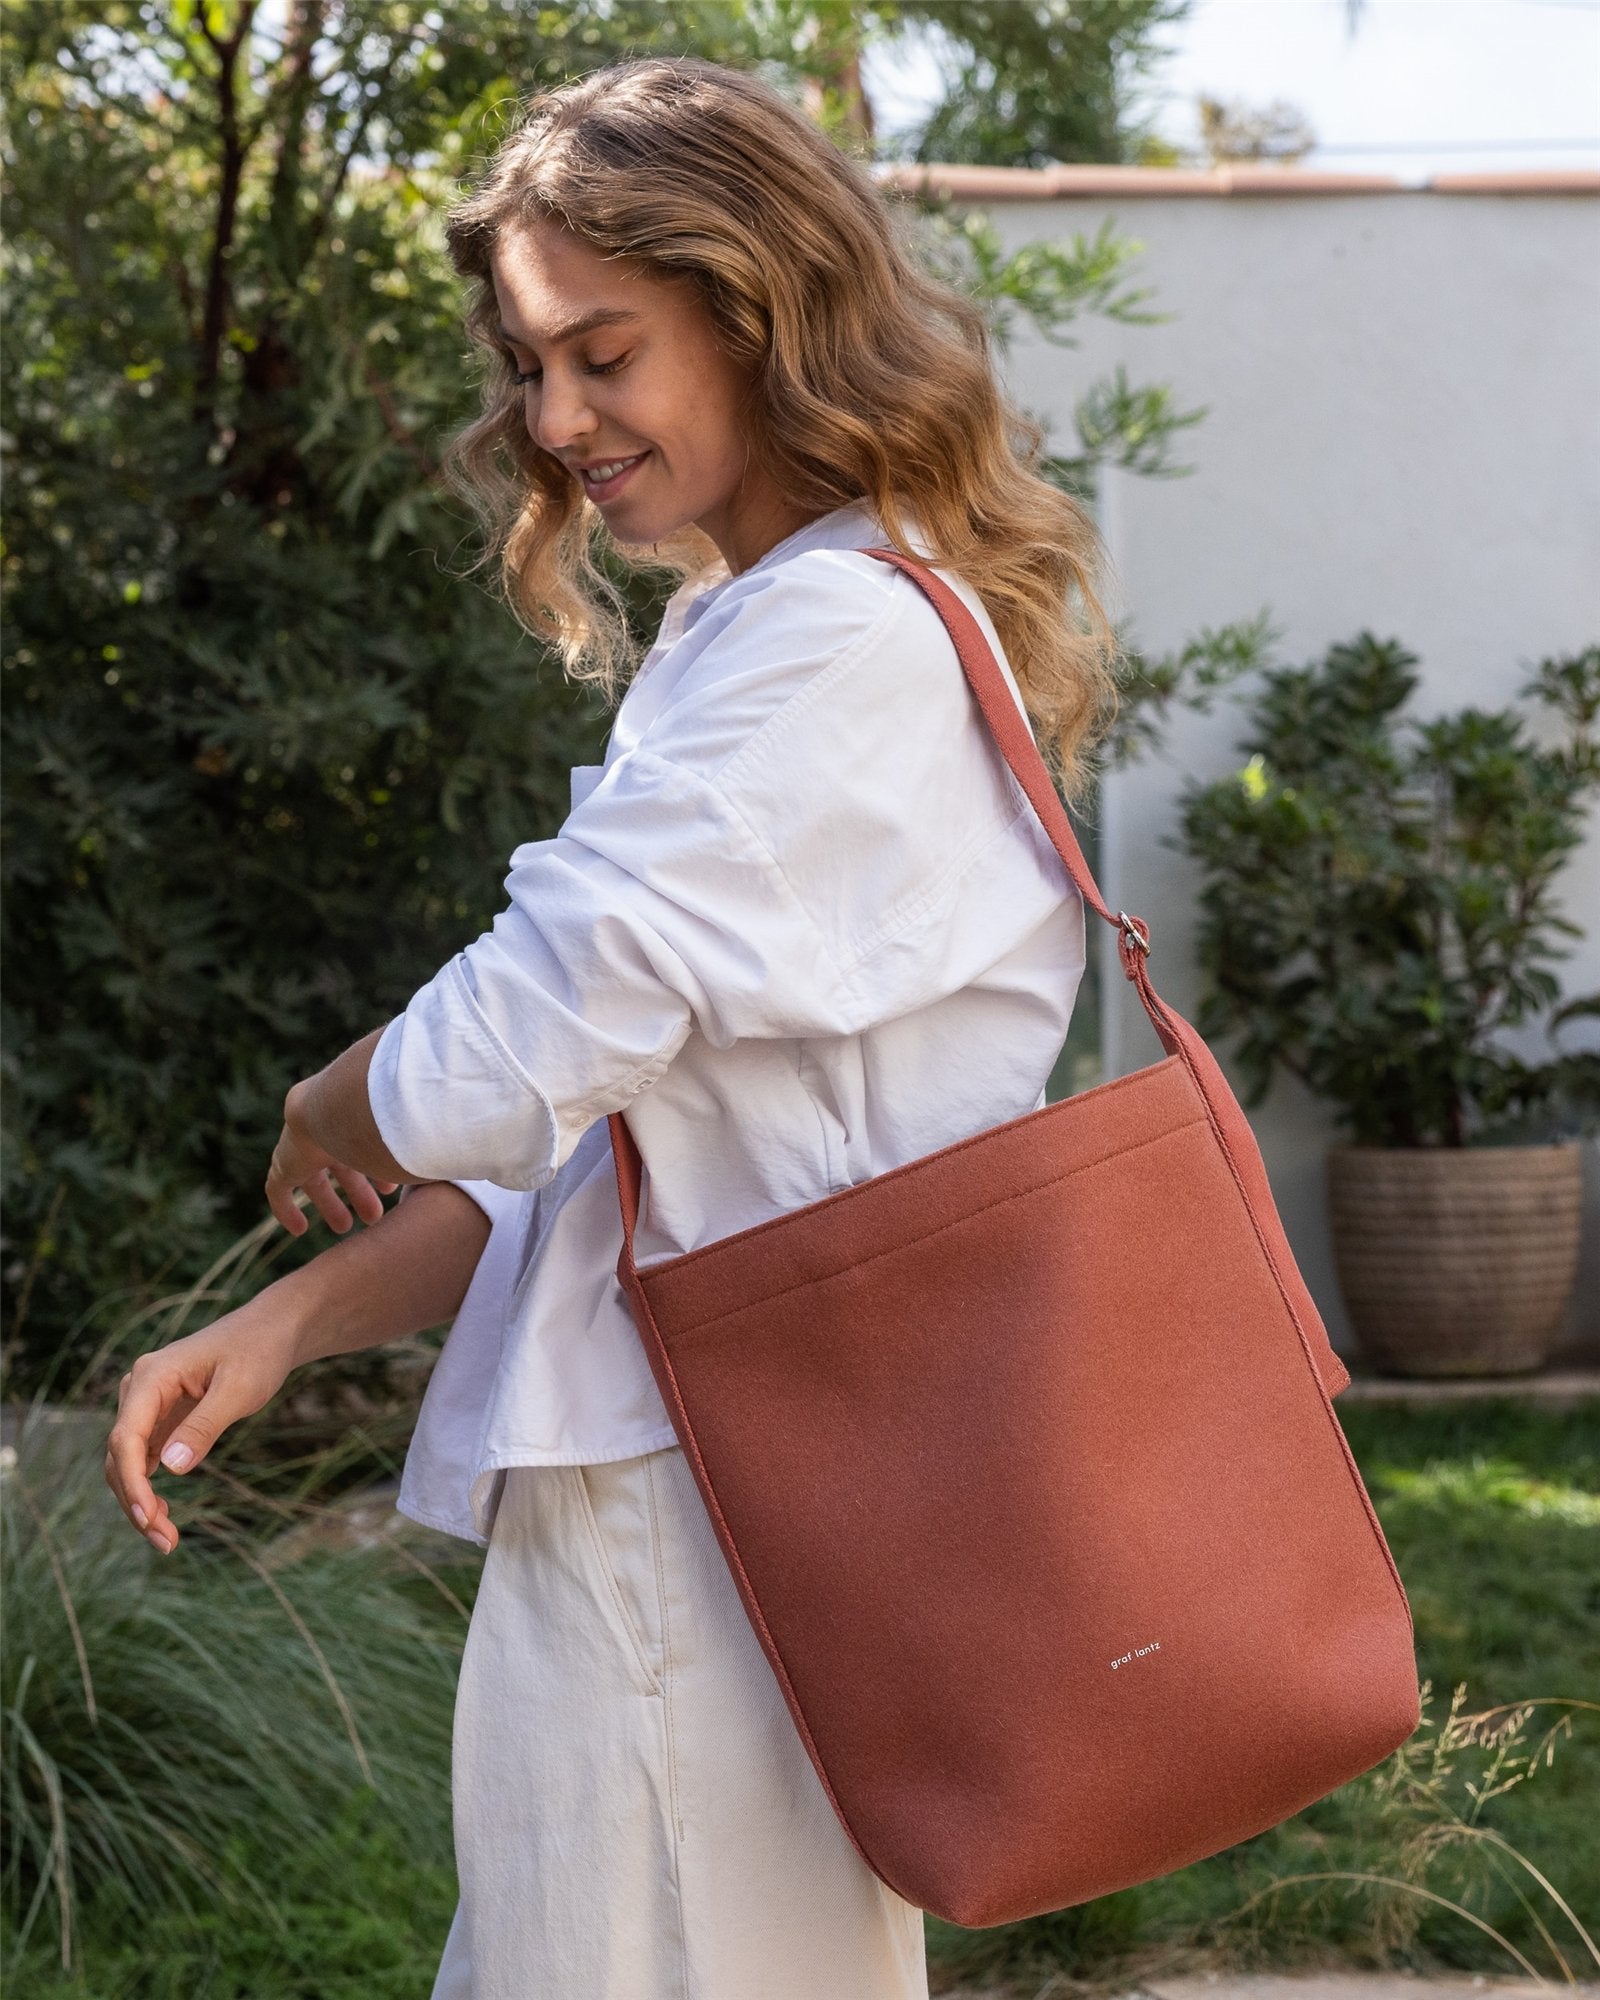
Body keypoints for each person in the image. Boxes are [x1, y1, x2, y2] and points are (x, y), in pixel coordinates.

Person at [104, 52, 1120, 2000]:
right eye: (529, 364)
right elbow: (611, 1147)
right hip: (732, 1500)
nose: (555, 418)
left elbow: (514, 1042)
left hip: (702, 1518)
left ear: (765, 317)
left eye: (604, 352)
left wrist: (328, 1103)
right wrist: (286, 1318)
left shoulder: (834, 643)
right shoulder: (773, 634)